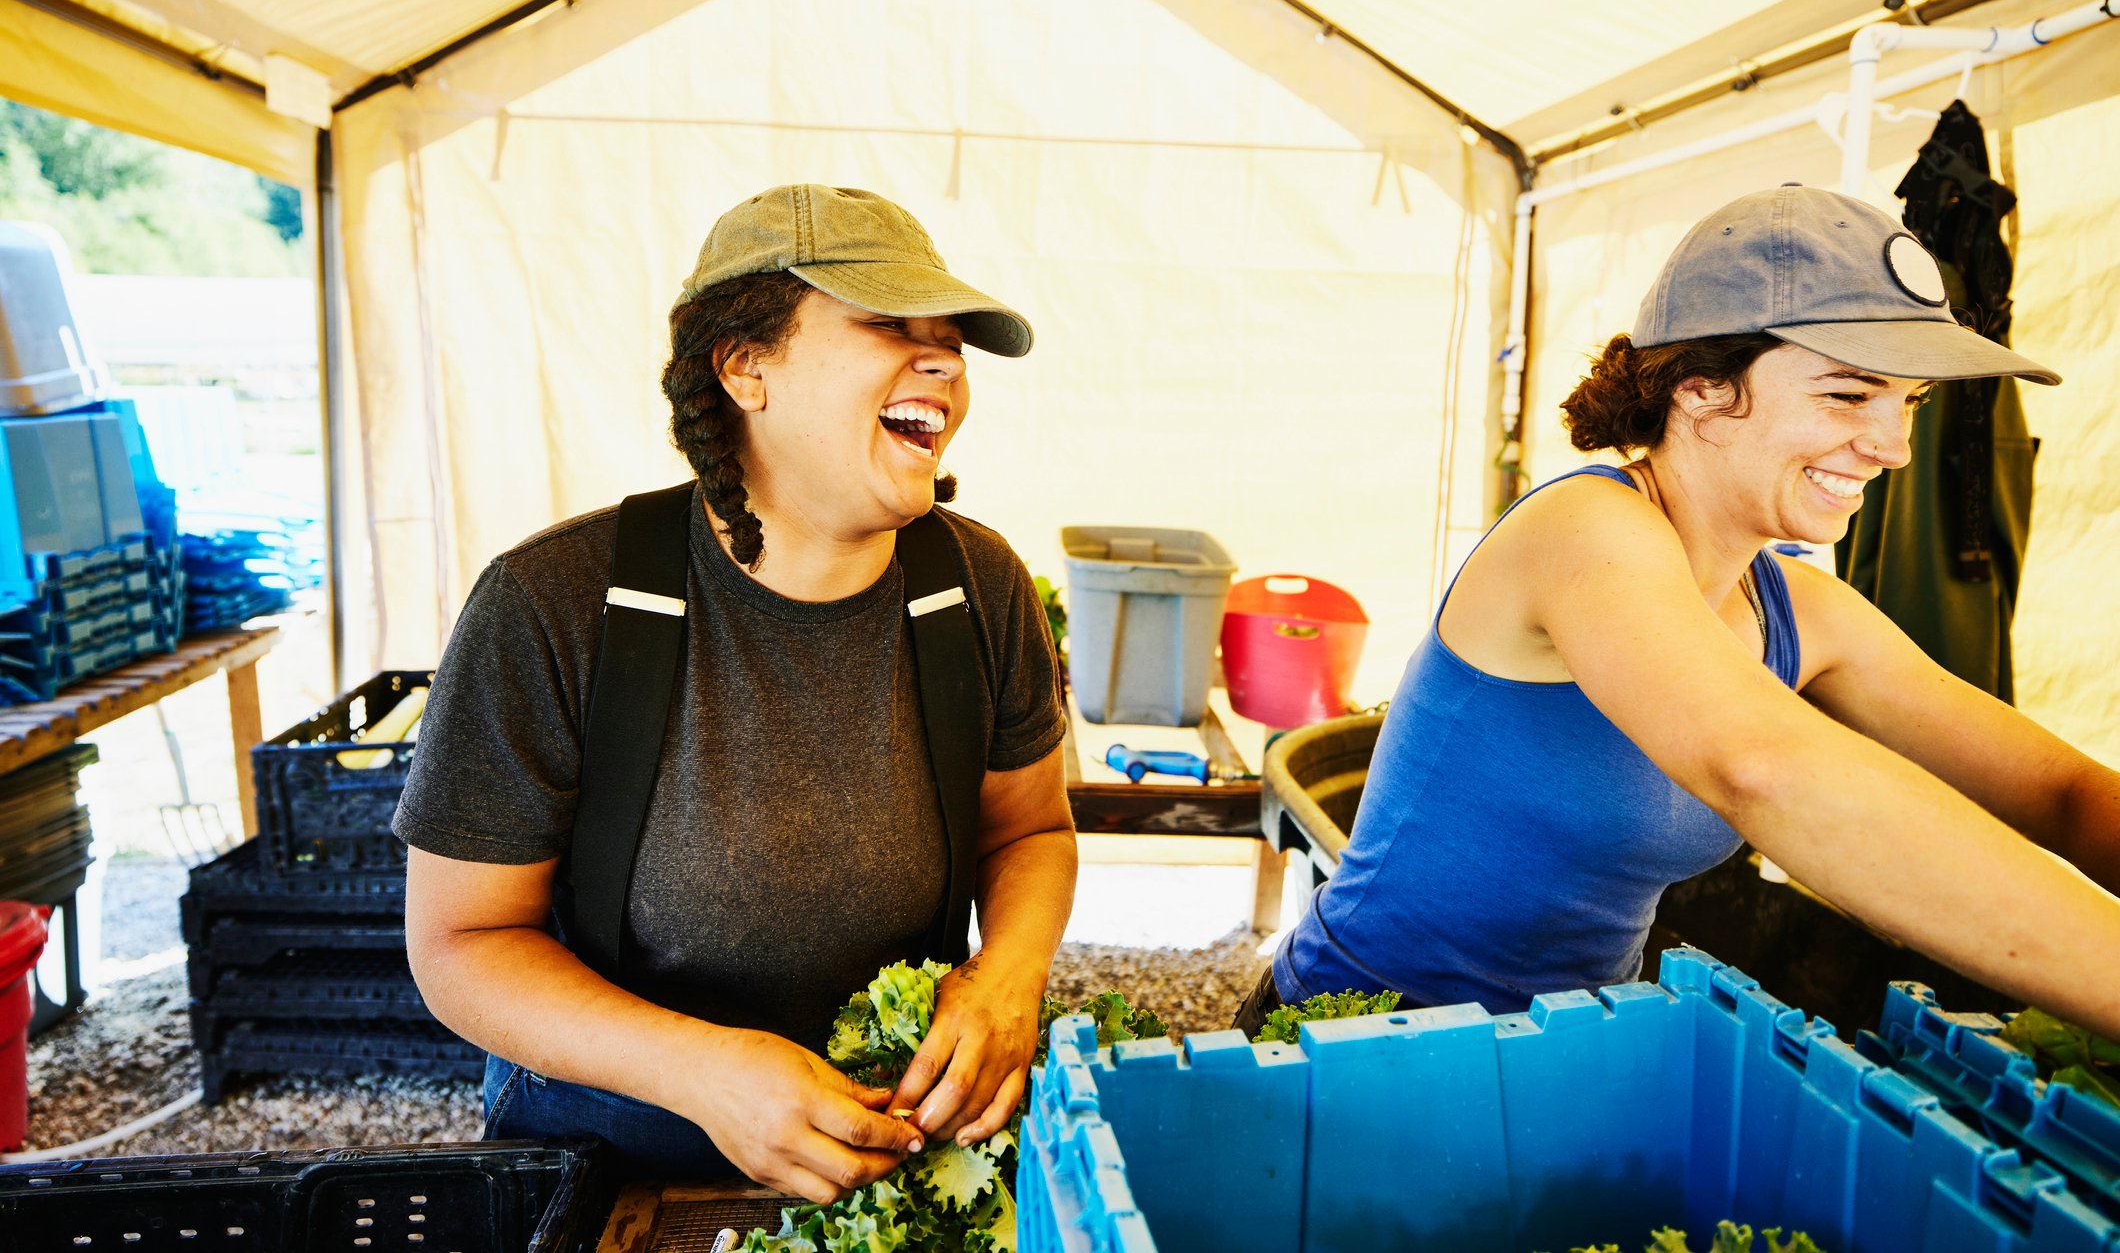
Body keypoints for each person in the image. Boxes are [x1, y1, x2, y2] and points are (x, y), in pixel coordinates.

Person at [1239, 183, 2120, 1040]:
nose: (1892, 448)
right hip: (1354, 1041)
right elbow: (1764, 766)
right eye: (1849, 396)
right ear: (1698, 385)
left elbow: (2061, 792)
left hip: (1570, 1051)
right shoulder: (1583, 529)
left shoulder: (1802, 613)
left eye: (1910, 404)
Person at [394, 185, 1076, 1202]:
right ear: (744, 367)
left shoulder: (975, 588)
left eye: (950, 340)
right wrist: (705, 1072)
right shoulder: (557, 604)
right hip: (617, 1164)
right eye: (892, 325)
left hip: (888, 1158)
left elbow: (1028, 831)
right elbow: (461, 944)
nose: (941, 363)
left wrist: (1006, 973)